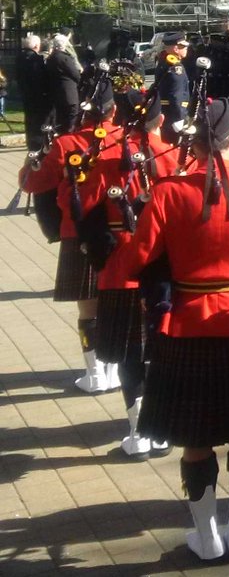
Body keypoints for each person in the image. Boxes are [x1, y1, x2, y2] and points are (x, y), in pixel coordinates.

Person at [107, 99, 229, 560]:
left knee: (195, 436)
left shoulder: (169, 193)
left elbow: (138, 261)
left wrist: (126, 233)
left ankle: (208, 539)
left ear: (193, 144)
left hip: (186, 323)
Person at [21, 78, 123, 393]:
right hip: (120, 233)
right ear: (113, 110)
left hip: (77, 232)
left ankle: (95, 373)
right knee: (118, 304)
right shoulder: (129, 139)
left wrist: (32, 158)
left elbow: (31, 184)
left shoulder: (65, 144)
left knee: (88, 308)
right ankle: (117, 368)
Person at [93, 89, 180, 457]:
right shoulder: (176, 156)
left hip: (122, 267)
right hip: (166, 267)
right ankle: (161, 428)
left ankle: (138, 431)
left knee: (131, 354)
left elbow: (76, 205)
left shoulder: (104, 156)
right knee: (162, 350)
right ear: (160, 120)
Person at [153, 32, 191, 144]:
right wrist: (179, 118)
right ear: (176, 48)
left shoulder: (163, 61)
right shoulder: (176, 68)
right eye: (183, 46)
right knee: (174, 148)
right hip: (173, 115)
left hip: (165, 112)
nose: (186, 49)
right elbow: (176, 95)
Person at [15, 33, 50, 149]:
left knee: (29, 119)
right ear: (36, 46)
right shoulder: (36, 59)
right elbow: (41, 78)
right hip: (38, 96)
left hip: (26, 94)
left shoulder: (19, 58)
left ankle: (30, 141)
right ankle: (37, 144)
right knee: (38, 121)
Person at [46, 31, 82, 133]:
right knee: (72, 116)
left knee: (61, 118)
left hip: (57, 93)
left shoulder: (51, 58)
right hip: (68, 93)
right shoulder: (64, 58)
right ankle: (69, 137)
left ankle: (61, 136)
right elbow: (75, 74)